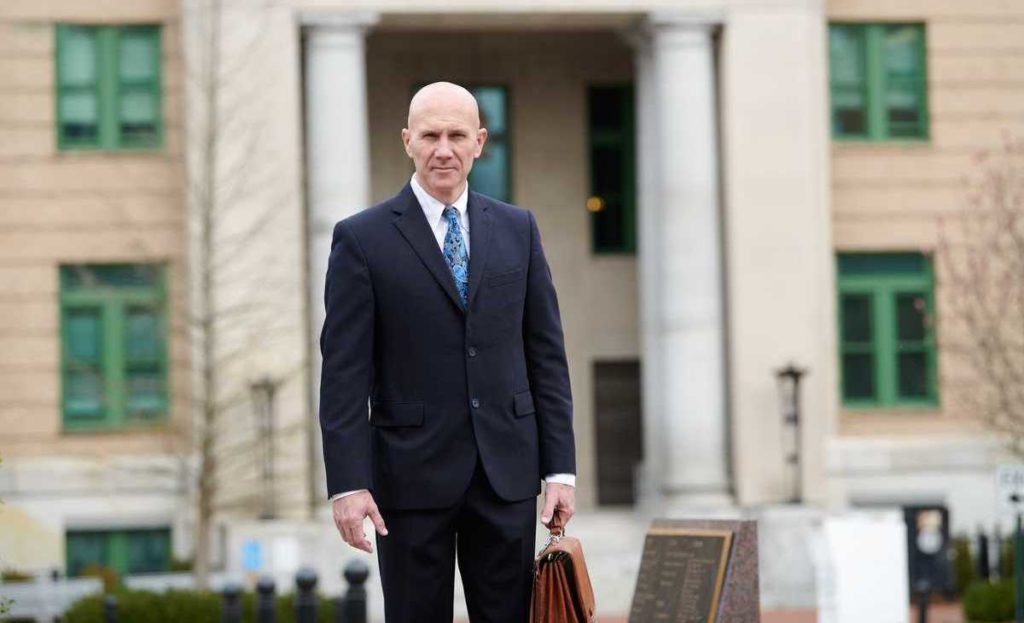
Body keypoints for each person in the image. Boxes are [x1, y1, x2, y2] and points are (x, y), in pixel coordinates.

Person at [318, 81, 577, 623]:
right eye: (430, 135)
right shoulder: (361, 239)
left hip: (505, 475)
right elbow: (344, 373)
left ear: (479, 142)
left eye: (457, 135)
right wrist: (347, 483)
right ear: (407, 141)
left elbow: (546, 356)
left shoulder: (518, 230)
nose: (444, 149)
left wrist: (561, 470)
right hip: (407, 482)